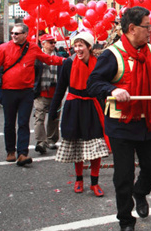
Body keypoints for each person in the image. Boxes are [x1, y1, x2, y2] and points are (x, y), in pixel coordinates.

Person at [87, 6, 151, 231]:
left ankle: (140, 192)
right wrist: (112, 90)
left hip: (147, 121)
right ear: (132, 29)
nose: (150, 31)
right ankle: (125, 219)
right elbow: (93, 83)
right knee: (123, 176)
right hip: (121, 124)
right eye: (147, 26)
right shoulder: (111, 54)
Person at [0, 24, 64, 166]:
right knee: (9, 123)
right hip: (9, 91)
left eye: (17, 33)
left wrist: (66, 60)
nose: (14, 35)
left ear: (25, 34)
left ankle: (22, 153)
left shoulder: (32, 48)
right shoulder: (3, 48)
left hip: (26, 91)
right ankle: (10, 151)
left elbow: (48, 59)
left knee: (23, 123)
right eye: (12, 33)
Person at [49, 32, 109, 197]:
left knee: (96, 145)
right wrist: (53, 110)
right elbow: (61, 88)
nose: (77, 49)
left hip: (92, 106)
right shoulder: (68, 63)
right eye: (75, 46)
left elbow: (104, 86)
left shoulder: (98, 64)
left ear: (89, 47)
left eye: (81, 45)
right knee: (77, 145)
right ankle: (79, 180)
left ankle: (95, 183)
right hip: (73, 106)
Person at [33, 34, 61, 154]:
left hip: (56, 93)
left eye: (54, 42)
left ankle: (51, 140)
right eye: (50, 42)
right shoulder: (37, 58)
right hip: (41, 92)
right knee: (39, 118)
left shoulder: (59, 58)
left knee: (54, 118)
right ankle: (41, 142)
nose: (53, 44)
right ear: (43, 43)